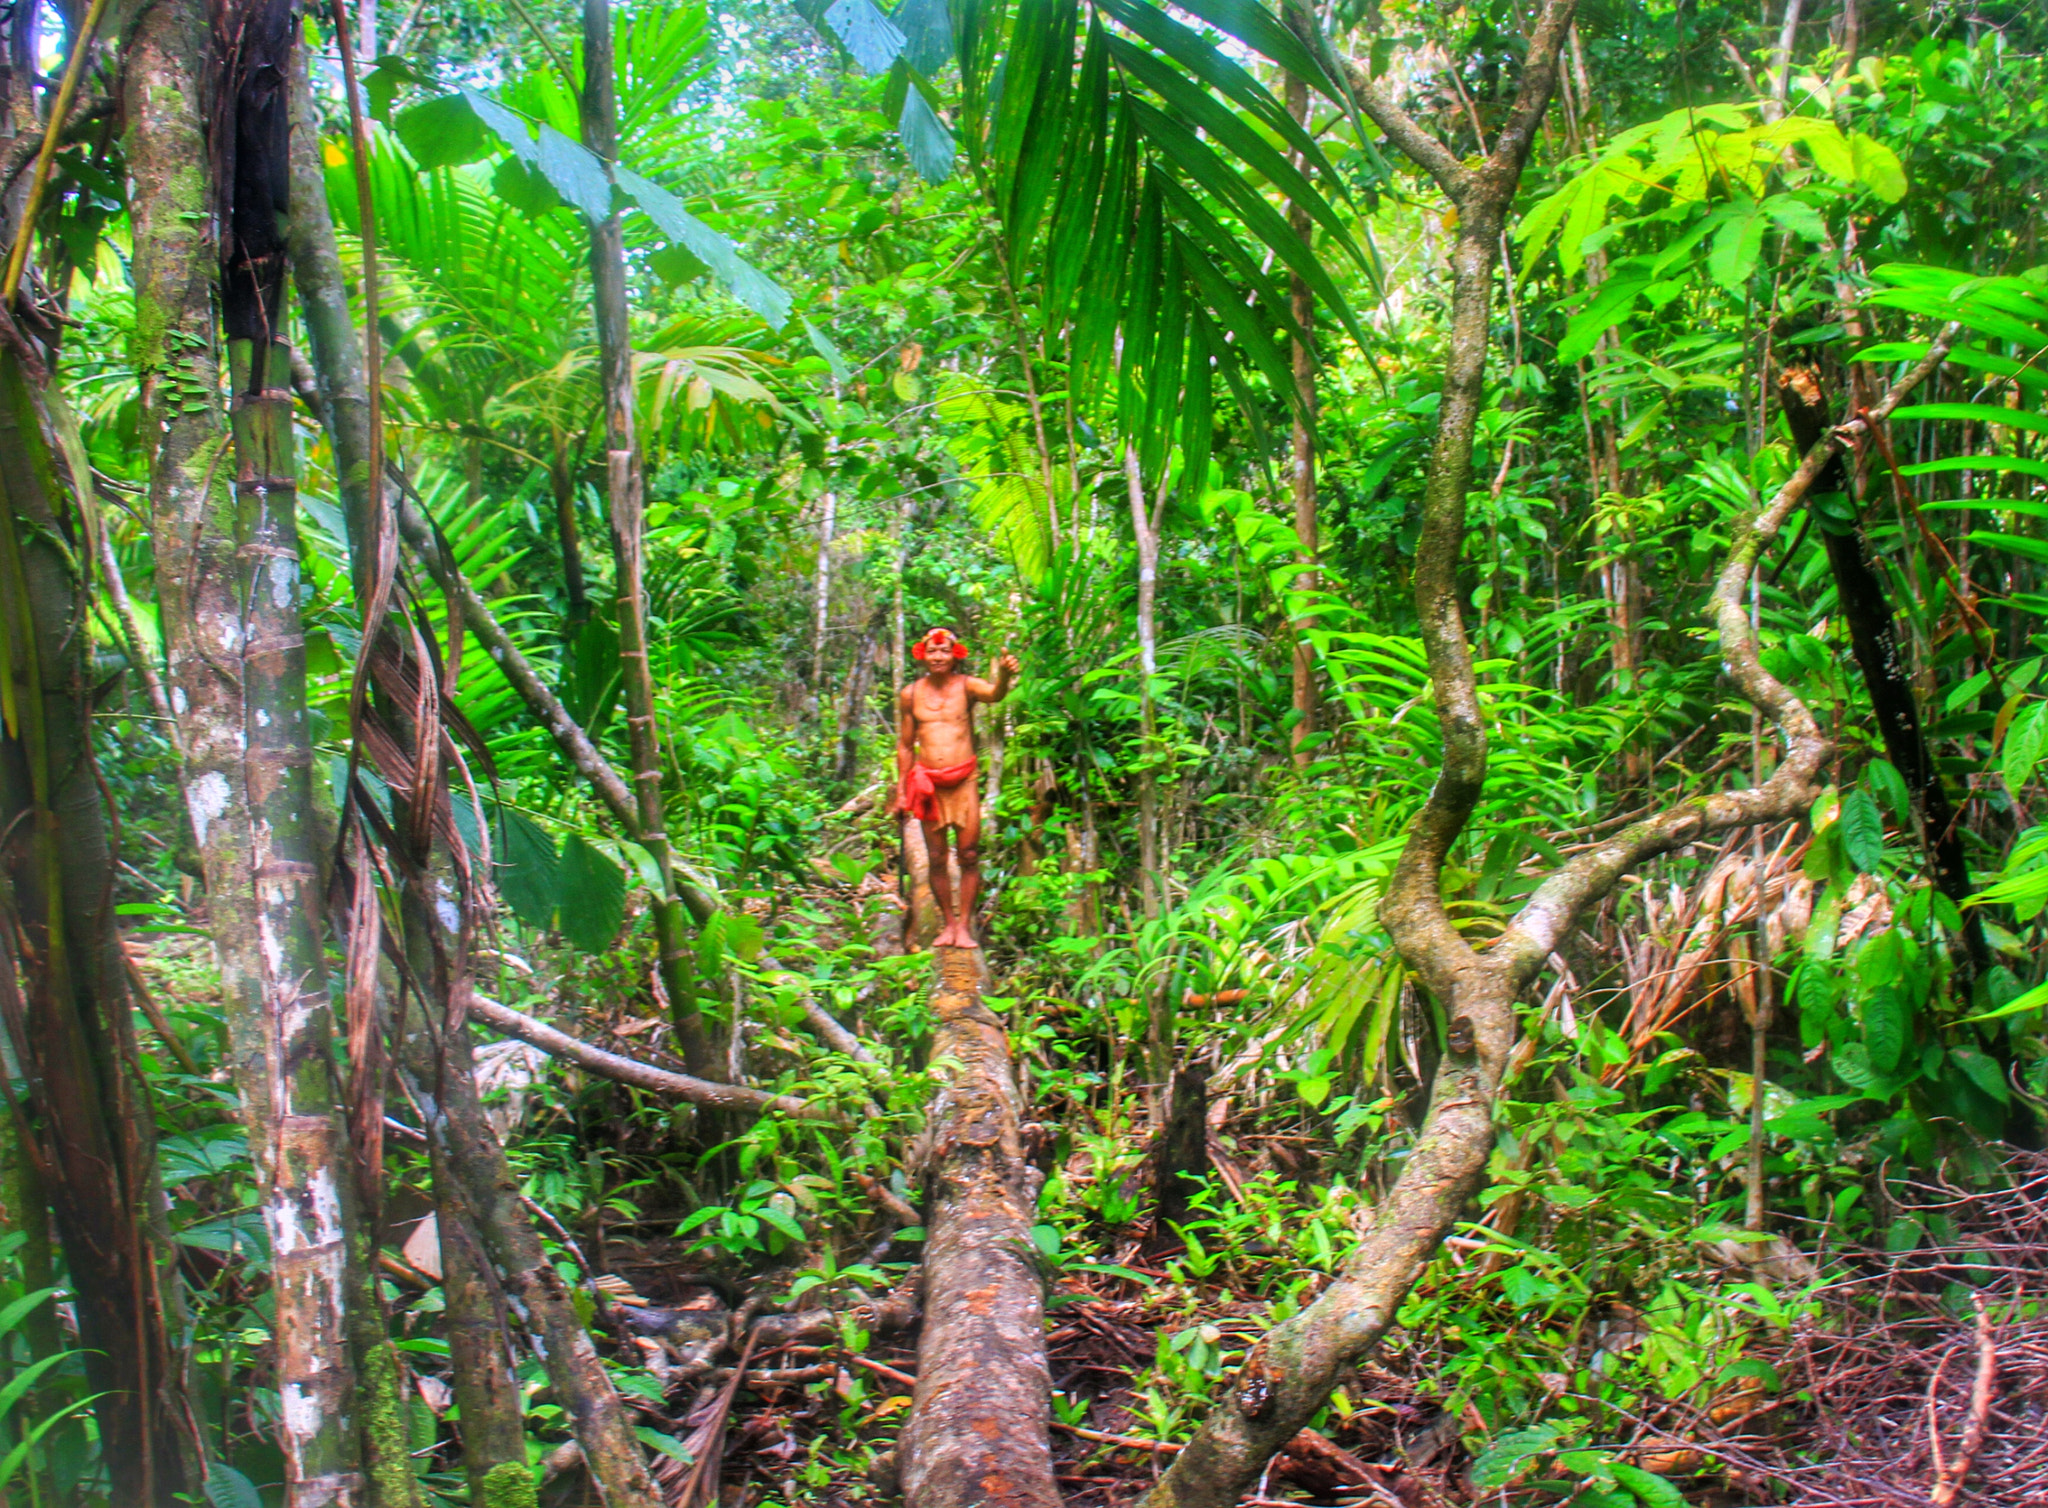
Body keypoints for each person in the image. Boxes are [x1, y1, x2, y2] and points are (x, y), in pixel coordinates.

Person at [894, 627, 1019, 949]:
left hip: (963, 781)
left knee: (969, 854)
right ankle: (947, 924)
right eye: (932, 652)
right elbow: (906, 746)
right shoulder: (910, 694)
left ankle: (965, 925)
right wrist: (901, 792)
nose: (938, 657)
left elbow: (995, 694)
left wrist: (1004, 676)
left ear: (955, 655)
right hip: (928, 783)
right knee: (936, 857)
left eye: (945, 652)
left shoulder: (967, 686)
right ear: (922, 655)